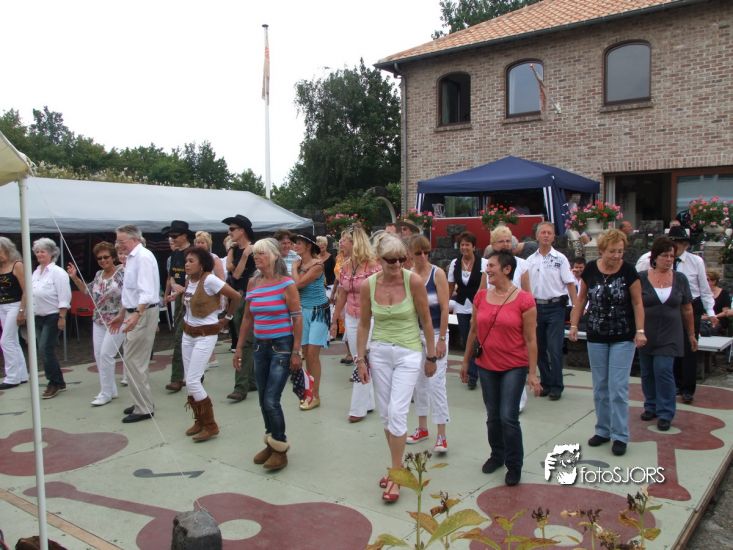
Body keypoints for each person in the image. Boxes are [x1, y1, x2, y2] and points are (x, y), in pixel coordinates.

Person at [356, 234, 437, 502]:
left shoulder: (412, 281)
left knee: (397, 411)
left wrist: (431, 356)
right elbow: (364, 324)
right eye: (391, 260)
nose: (398, 264)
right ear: (379, 259)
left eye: (402, 259)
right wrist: (360, 359)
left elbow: (426, 320)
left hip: (408, 352)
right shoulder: (368, 285)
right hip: (379, 352)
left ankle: (396, 474)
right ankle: (397, 466)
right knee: (385, 415)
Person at [460, 251, 541, 486]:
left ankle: (514, 465)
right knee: (493, 417)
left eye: (492, 266)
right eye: (487, 266)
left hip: (514, 366)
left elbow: (531, 339)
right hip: (486, 365)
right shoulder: (481, 297)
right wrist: (465, 361)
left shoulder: (525, 300)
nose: (487, 269)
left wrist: (532, 373)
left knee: (508, 417)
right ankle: (497, 455)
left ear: (507, 269)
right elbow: (474, 331)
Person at [569, 229, 645, 456]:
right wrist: (574, 325)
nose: (617, 255)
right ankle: (603, 429)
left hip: (623, 336)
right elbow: (581, 299)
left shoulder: (629, 271)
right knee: (600, 386)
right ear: (602, 250)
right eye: (612, 251)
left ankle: (620, 435)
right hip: (596, 335)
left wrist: (640, 331)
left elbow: (638, 303)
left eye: (620, 251)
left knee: (618, 388)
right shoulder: (591, 269)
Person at [235, 238, 302, 471]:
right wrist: (239, 347)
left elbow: (297, 318)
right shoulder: (253, 283)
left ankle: (280, 447)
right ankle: (271, 441)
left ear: (274, 256)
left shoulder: (286, 284)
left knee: (271, 399)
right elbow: (247, 317)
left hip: (281, 346)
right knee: (263, 398)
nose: (257, 257)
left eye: (261, 253)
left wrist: (296, 351)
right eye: (255, 254)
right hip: (259, 346)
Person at [636, 225, 716, 404]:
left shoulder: (695, 262)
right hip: (654, 311)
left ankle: (686, 389)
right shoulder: (645, 262)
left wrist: (710, 312)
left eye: (681, 243)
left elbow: (704, 289)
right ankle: (660, 396)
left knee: (686, 351)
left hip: (687, 305)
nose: (678, 247)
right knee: (655, 365)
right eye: (674, 242)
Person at [180, 247, 241, 442]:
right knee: (190, 380)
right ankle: (199, 420)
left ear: (202, 264)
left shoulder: (210, 280)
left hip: (205, 335)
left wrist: (227, 318)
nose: (187, 264)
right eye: (186, 261)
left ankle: (210, 425)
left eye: (191, 261)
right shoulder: (189, 280)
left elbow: (236, 296)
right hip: (188, 334)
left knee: (193, 381)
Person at [638, 237, 696, 432]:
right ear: (655, 257)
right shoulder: (641, 278)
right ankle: (651, 405)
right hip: (646, 332)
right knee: (647, 372)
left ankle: (665, 413)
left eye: (672, 256)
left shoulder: (680, 279)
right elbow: (634, 305)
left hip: (671, 334)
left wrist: (691, 334)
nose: (669, 259)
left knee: (663, 370)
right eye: (665, 255)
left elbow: (687, 308)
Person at [110, 225, 160, 423]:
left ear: (135, 239)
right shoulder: (133, 258)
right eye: (118, 241)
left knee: (134, 361)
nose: (119, 245)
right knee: (134, 361)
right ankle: (141, 400)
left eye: (121, 241)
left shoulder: (143, 257)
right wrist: (123, 314)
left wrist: (137, 315)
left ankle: (144, 407)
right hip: (137, 312)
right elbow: (131, 292)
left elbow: (146, 292)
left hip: (142, 313)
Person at [330, 224, 381, 422]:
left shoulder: (374, 266)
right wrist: (335, 319)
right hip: (351, 317)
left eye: (344, 240)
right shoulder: (345, 266)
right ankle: (369, 402)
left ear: (355, 242)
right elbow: (342, 293)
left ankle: (357, 409)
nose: (340, 243)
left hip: (371, 317)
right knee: (359, 357)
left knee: (362, 359)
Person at [406, 235, 450, 452]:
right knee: (419, 382)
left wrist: (441, 339)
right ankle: (422, 428)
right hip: (415, 335)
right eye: (418, 253)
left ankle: (442, 434)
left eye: (426, 252)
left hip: (437, 332)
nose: (423, 257)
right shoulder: (409, 275)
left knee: (436, 383)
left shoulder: (437, 273)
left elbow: (444, 308)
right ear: (410, 255)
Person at [67, 242, 125, 406]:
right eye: (99, 258)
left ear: (113, 257)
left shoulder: (122, 273)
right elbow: (87, 291)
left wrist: (123, 315)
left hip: (117, 320)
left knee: (106, 354)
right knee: (99, 355)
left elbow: (129, 295)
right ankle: (110, 389)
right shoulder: (99, 274)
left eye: (106, 257)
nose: (103, 260)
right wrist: (74, 277)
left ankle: (105, 393)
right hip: (99, 319)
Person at [527, 222, 578, 400]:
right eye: (543, 232)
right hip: (535, 307)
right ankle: (546, 382)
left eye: (549, 233)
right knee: (539, 348)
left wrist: (575, 307)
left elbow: (570, 284)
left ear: (554, 236)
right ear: (537, 236)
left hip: (555, 307)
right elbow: (525, 287)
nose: (546, 235)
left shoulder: (560, 259)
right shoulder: (530, 260)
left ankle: (557, 385)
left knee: (554, 348)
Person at [292, 232, 330, 410]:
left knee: (313, 354)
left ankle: (315, 395)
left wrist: (294, 269)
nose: (295, 246)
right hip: (303, 312)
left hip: (318, 312)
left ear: (308, 245)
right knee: (307, 353)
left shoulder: (317, 265)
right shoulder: (300, 264)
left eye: (299, 243)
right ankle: (310, 392)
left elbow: (298, 284)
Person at [222, 214, 257, 402]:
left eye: (232, 228)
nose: (230, 232)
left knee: (245, 341)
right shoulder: (235, 249)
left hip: (250, 297)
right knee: (245, 339)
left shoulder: (256, 249)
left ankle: (241, 386)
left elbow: (236, 274)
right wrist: (235, 252)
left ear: (242, 230)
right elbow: (231, 270)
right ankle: (251, 380)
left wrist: (244, 255)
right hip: (237, 297)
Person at [31, 238, 71, 399]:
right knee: (44, 350)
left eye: (43, 251)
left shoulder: (58, 273)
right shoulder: (36, 272)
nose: (39, 254)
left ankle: (53, 382)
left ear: (51, 253)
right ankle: (59, 381)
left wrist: (62, 317)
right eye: (37, 251)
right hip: (38, 316)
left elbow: (64, 297)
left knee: (45, 349)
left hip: (53, 315)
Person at [448, 231, 488, 390]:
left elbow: (485, 287)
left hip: (480, 306)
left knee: (481, 339)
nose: (464, 247)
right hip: (461, 306)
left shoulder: (483, 263)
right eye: (462, 245)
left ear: (474, 247)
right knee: (467, 339)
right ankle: (472, 373)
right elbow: (450, 285)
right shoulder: (454, 263)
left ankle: (482, 370)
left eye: (467, 245)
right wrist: (445, 303)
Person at [162, 220, 194, 393]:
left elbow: (199, 276)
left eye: (175, 236)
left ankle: (178, 377)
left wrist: (184, 288)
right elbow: (172, 275)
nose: (172, 239)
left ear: (185, 236)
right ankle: (184, 375)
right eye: (171, 236)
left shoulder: (193, 253)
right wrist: (173, 288)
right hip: (180, 298)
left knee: (183, 338)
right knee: (181, 337)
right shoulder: (175, 254)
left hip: (193, 299)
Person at [0, 237, 28, 389]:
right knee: (13, 341)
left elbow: (26, 290)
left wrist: (22, 310)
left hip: (15, 304)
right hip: (2, 306)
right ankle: (21, 374)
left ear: (7, 249)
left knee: (6, 341)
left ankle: (11, 377)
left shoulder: (17, 265)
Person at [708, 270, 731, 335]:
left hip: (719, 318)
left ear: (714, 281)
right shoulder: (702, 293)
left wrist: (713, 316)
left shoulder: (724, 294)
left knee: (712, 329)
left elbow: (725, 312)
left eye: (707, 280)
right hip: (704, 319)